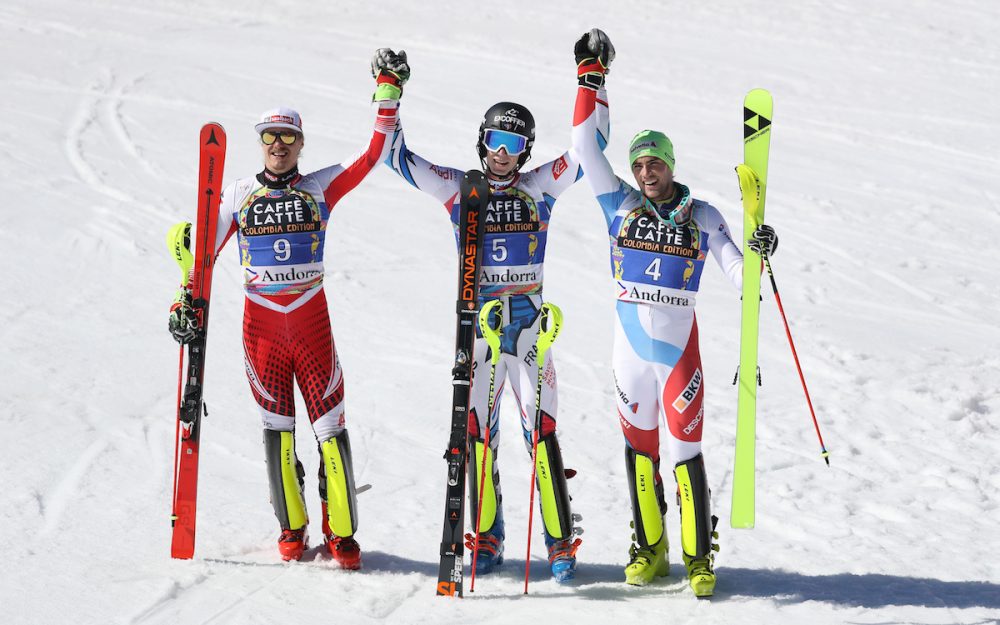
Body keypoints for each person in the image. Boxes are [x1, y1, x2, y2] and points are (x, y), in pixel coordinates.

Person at [373, 46, 610, 582]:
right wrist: (389, 91)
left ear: (526, 152)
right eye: (495, 142)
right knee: (477, 433)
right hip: (479, 330)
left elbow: (590, 149)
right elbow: (394, 157)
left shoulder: (538, 186)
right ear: (482, 140)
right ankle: (486, 536)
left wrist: (592, 82)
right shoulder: (461, 186)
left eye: (514, 145)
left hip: (528, 331)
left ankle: (559, 539)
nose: (502, 154)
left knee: (542, 431)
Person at [167, 54, 408, 567]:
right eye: (270, 138)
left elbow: (371, 155)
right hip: (261, 333)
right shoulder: (238, 195)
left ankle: (341, 535)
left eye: (288, 138)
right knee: (277, 436)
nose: (278, 146)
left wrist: (387, 91)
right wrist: (184, 297)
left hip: (312, 327)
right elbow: (199, 253)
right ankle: (291, 530)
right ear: (261, 143)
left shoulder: (319, 187)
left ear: (301, 144)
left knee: (331, 437)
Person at [568, 29, 779, 597]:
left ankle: (698, 556)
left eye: (653, 163)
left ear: (669, 164)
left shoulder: (702, 215)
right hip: (628, 346)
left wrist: (757, 254)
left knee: (685, 451)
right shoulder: (618, 204)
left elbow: (739, 271)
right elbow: (586, 148)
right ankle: (649, 546)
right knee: (640, 450)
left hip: (679, 346)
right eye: (638, 165)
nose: (645, 173)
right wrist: (592, 75)